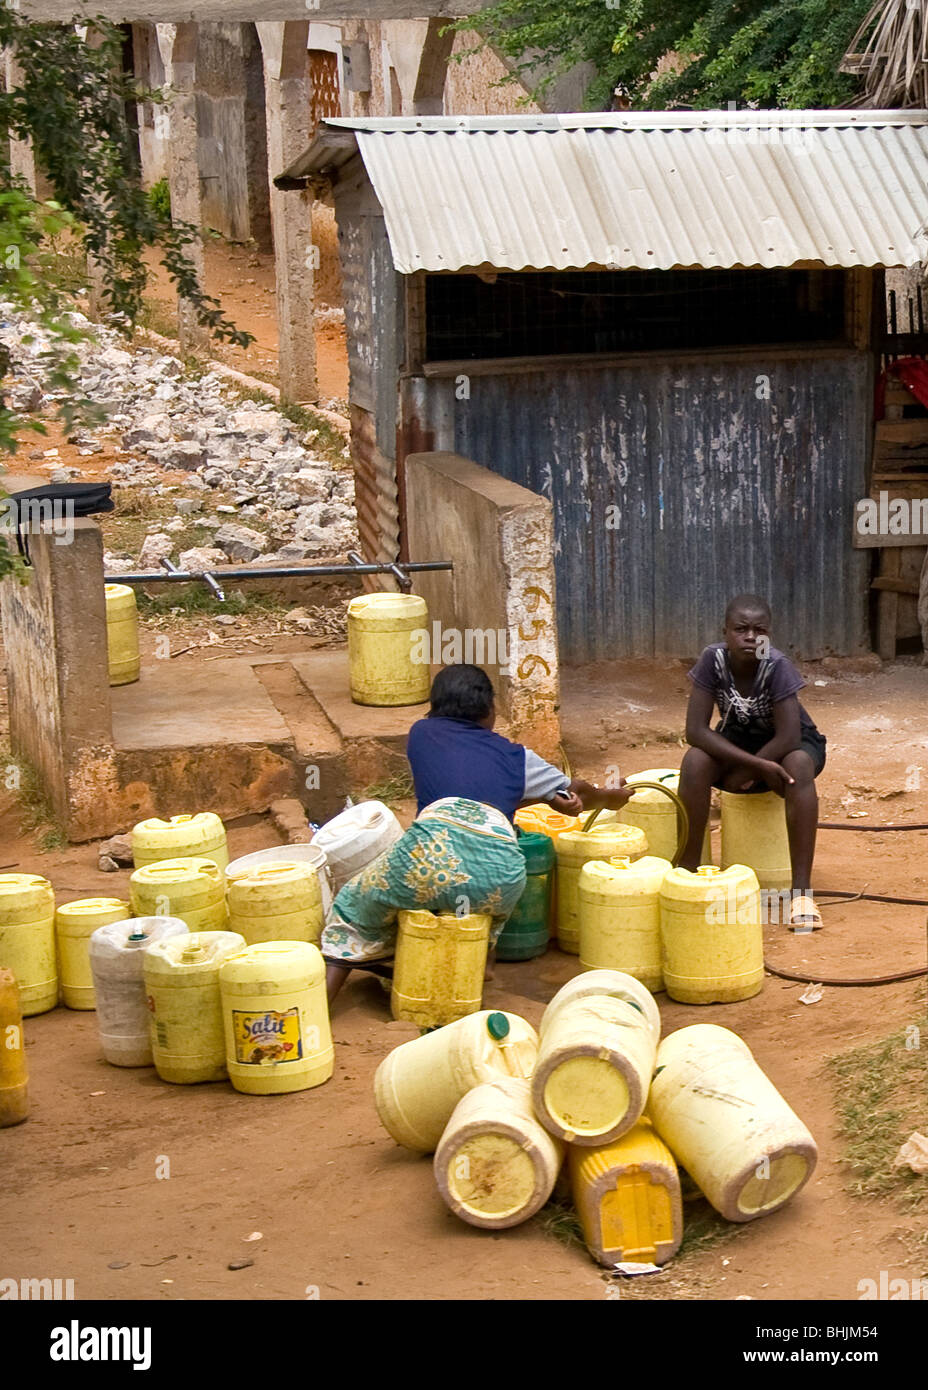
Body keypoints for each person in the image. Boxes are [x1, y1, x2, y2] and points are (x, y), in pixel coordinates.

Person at [322, 664, 635, 1003]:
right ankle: (482, 961)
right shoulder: (517, 758)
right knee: (477, 903)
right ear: (490, 710)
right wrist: (610, 796)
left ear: (434, 707)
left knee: (352, 907)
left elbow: (466, 791)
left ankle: (325, 998)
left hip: (430, 857)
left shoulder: (421, 734)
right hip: (502, 874)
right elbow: (577, 795)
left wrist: (544, 798)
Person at [677, 594, 827, 930]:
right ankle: (686, 872)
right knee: (695, 762)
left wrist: (749, 769)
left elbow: (788, 737)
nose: (750, 637)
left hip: (789, 744)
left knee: (799, 765)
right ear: (725, 632)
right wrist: (751, 764)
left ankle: (801, 893)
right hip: (741, 742)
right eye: (740, 629)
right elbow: (696, 731)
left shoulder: (777, 666)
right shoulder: (712, 660)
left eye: (759, 630)